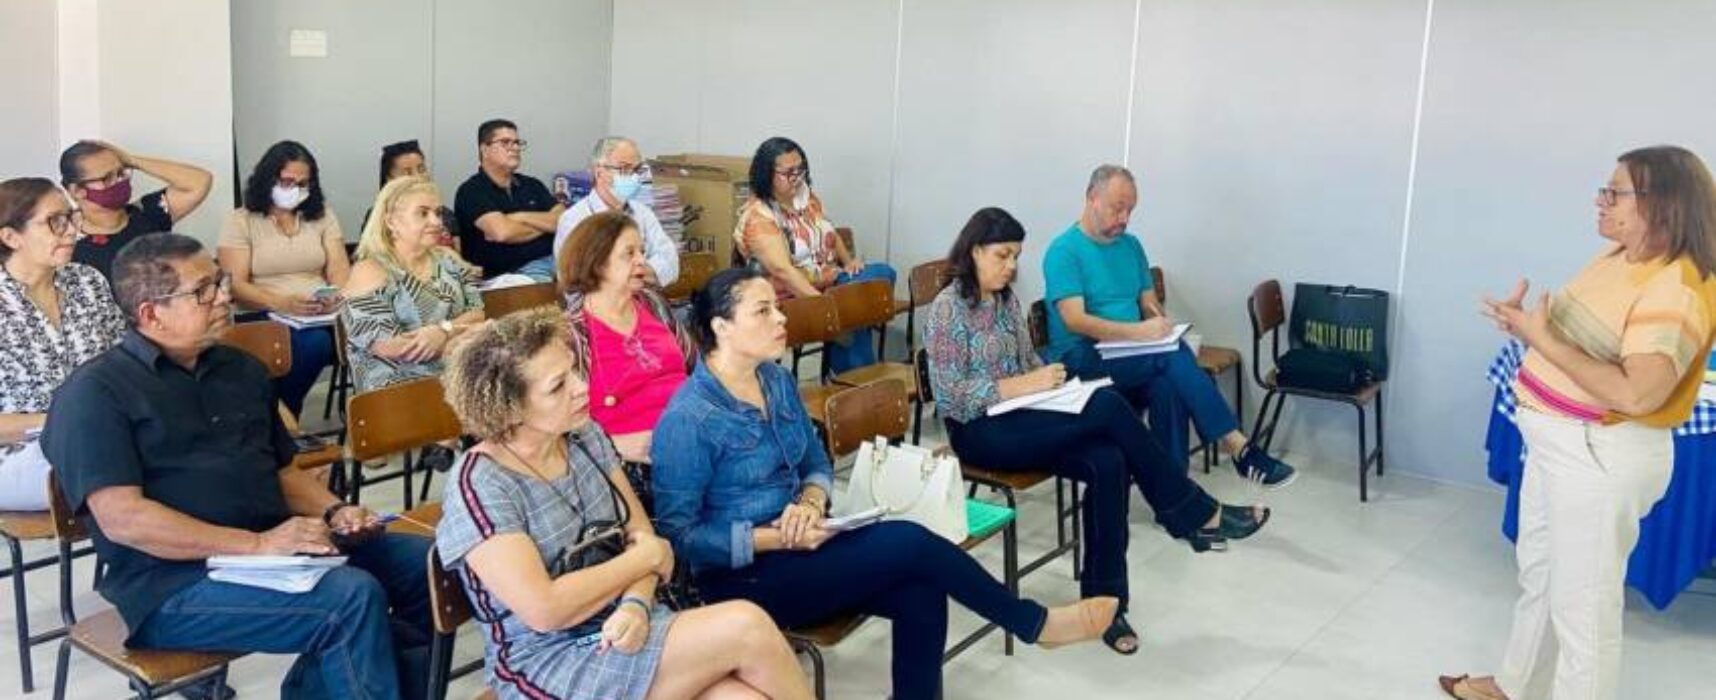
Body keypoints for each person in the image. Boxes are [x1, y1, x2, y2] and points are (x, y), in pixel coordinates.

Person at [652, 267, 1118, 700]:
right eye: (763, 310)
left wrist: (813, 501)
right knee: (912, 543)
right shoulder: (689, 418)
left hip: (809, 543)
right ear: (720, 327)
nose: (780, 318)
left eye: (777, 306)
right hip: (745, 578)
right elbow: (684, 539)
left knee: (921, 590)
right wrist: (776, 537)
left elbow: (816, 459)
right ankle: (1032, 623)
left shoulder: (774, 380)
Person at [42, 233, 433, 700]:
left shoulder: (240, 369)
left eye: (220, 281)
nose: (224, 296)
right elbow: (125, 520)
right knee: (350, 599)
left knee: (425, 566)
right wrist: (258, 545)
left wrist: (334, 512)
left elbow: (283, 472)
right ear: (150, 314)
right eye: (202, 291)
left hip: (275, 553)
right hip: (174, 584)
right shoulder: (95, 394)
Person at [925, 207, 1272, 655]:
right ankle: (1188, 510)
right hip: (978, 431)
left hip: (1025, 414)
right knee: (1108, 404)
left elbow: (1028, 361)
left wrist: (1047, 379)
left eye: (1016, 256)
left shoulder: (1006, 300)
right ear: (973, 251)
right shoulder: (948, 308)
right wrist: (1022, 385)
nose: (1011, 266)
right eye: (1002, 255)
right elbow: (950, 396)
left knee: (1108, 459)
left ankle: (1107, 604)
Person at [1441, 146, 1716, 700]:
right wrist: (1526, 327)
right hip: (1558, 443)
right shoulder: (1620, 256)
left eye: (1615, 193)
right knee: (1540, 575)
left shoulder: (1676, 289)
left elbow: (1638, 392)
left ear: (1661, 204)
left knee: (1583, 611)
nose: (1600, 200)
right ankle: (1517, 685)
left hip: (1599, 455)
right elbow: (1583, 344)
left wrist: (1541, 339)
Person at [436, 307, 813, 700]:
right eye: (557, 386)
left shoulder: (586, 436)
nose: (582, 388)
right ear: (508, 407)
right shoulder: (480, 485)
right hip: (549, 662)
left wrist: (635, 602)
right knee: (746, 626)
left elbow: (643, 535)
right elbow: (546, 610)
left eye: (576, 372)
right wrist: (642, 560)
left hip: (627, 622)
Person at [1044, 164, 1297, 487]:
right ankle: (1237, 446)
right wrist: (1140, 334)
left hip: (1128, 355)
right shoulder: (1064, 251)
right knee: (1170, 358)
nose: (1124, 219)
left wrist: (1158, 323)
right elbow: (1075, 320)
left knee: (1168, 385)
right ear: (1092, 198)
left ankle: (1173, 494)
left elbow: (1148, 302)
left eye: (1130, 210)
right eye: (1117, 209)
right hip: (1082, 358)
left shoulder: (1131, 245)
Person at [0, 178, 127, 510]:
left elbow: (124, 363)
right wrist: (66, 421)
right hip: (18, 456)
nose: (72, 230)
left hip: (101, 438)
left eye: (72, 217)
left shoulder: (87, 282)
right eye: (56, 221)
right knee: (127, 469)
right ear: (10, 236)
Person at [732, 136, 897, 373]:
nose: (797, 177)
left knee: (882, 274)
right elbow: (783, 272)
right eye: (788, 173)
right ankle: (851, 372)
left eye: (800, 169)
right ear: (767, 175)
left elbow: (830, 232)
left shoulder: (807, 199)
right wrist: (826, 307)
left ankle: (845, 343)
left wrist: (849, 262)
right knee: (853, 306)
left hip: (829, 283)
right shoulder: (759, 217)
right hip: (791, 298)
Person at [218, 140, 348, 417]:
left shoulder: (322, 215)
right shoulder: (241, 220)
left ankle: (280, 419)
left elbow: (339, 268)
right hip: (263, 311)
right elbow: (236, 285)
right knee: (314, 345)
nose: (296, 190)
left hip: (319, 311)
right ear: (268, 178)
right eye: (288, 182)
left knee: (370, 331)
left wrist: (335, 294)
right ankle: (284, 415)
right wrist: (282, 303)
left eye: (303, 184)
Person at [558, 211, 696, 466]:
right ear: (597, 262)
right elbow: (561, 427)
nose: (642, 260)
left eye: (641, 251)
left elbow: (694, 366)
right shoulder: (572, 334)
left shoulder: (652, 303)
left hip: (693, 435)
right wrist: (613, 446)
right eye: (629, 253)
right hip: (628, 461)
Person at [342, 175, 485, 393]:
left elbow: (477, 314)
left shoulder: (449, 259)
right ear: (391, 222)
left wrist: (443, 331)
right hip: (395, 392)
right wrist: (462, 338)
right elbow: (390, 346)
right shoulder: (369, 272)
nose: (437, 222)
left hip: (458, 378)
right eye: (423, 213)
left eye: (438, 213)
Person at [60, 140, 212, 280]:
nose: (119, 181)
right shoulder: (63, 240)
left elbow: (200, 181)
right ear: (77, 190)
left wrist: (131, 160)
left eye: (121, 173)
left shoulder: (147, 213)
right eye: (107, 178)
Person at [553, 136, 679, 287]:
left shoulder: (643, 213)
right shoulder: (574, 219)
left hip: (642, 300)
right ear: (599, 172)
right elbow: (576, 278)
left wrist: (622, 273)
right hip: (595, 306)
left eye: (636, 170)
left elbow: (670, 262)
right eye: (624, 169)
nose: (633, 177)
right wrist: (642, 271)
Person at [454, 119, 565, 282]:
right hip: (509, 276)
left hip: (555, 259)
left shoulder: (532, 184)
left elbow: (563, 219)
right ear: (484, 149)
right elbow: (503, 233)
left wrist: (520, 217)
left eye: (517, 142)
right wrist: (547, 226)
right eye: (506, 142)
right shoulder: (471, 191)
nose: (515, 148)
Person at [364, 139, 458, 249]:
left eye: (421, 169)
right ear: (389, 179)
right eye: (407, 172)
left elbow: (457, 257)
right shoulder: (378, 216)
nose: (417, 177)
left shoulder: (444, 213)